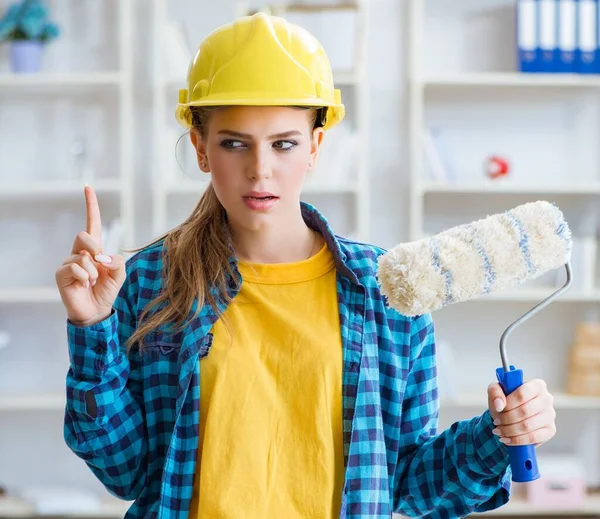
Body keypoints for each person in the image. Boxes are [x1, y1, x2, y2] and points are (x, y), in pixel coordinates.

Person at [56, 12, 557, 519]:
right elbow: (127, 474)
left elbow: (409, 481)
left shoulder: (385, 291)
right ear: (201, 149)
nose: (260, 169)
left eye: (284, 143)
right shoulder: (148, 284)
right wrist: (91, 325)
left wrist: (498, 433)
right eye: (234, 143)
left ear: (315, 146)